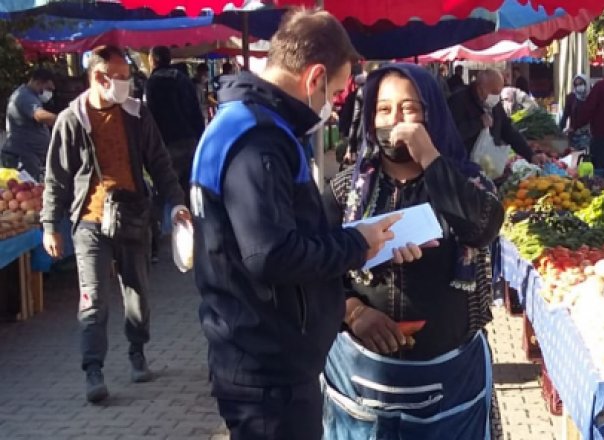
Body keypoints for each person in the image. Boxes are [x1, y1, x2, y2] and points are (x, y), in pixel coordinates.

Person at [189, 9, 400, 440]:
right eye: (335, 93)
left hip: (262, 357)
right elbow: (271, 253)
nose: (332, 105)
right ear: (314, 78)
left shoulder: (247, 126)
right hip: (268, 369)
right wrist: (355, 245)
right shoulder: (258, 138)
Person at [322, 63, 504, 439]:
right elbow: (314, 273)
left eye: (409, 108)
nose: (396, 120)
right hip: (361, 383)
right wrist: (354, 312)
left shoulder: (468, 182)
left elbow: (482, 228)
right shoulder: (344, 191)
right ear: (370, 119)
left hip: (452, 382)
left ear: (431, 114)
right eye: (384, 109)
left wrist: (430, 158)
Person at [40, 45, 191, 403]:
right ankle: (93, 370)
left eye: (128, 77)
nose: (127, 83)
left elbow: (159, 162)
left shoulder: (137, 115)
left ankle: (137, 351)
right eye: (120, 77)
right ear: (99, 77)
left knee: (137, 292)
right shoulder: (72, 119)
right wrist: (49, 225)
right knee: (93, 299)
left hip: (133, 216)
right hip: (89, 223)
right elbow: (56, 178)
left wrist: (177, 203)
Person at [448, 69, 546, 168]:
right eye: (494, 92)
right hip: (462, 167)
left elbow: (508, 130)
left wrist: (530, 155)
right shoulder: (458, 100)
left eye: (499, 93)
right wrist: (479, 123)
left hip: (488, 166)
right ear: (480, 89)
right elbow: (451, 135)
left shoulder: (495, 105)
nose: (496, 97)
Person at [146, 46, 204, 201]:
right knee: (192, 190)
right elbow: (195, 110)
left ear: (152, 60)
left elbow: (152, 115)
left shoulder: (152, 83)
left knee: (170, 192)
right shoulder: (183, 78)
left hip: (167, 143)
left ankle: (173, 215)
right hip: (190, 140)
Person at [1, 68, 57, 180]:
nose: (49, 93)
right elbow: (39, 115)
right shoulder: (24, 96)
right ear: (38, 82)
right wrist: (65, 120)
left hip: (29, 156)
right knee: (26, 188)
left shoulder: (30, 96)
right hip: (21, 157)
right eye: (48, 89)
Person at [558, 74, 591, 151]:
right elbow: (565, 114)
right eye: (576, 84)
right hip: (573, 135)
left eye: (581, 83)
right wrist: (559, 131)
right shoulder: (571, 97)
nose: (579, 86)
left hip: (588, 134)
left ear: (586, 83)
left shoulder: (592, 97)